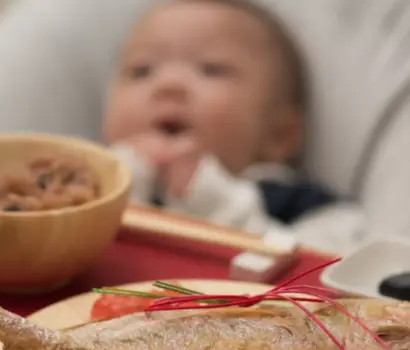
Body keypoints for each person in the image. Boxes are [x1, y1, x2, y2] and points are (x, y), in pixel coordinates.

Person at [103, 0, 364, 252]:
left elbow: (336, 264)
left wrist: (215, 201)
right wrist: (115, 184)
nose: (168, 85)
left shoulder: (293, 202)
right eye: (142, 71)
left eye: (211, 70)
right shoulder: (85, 182)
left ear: (279, 135)